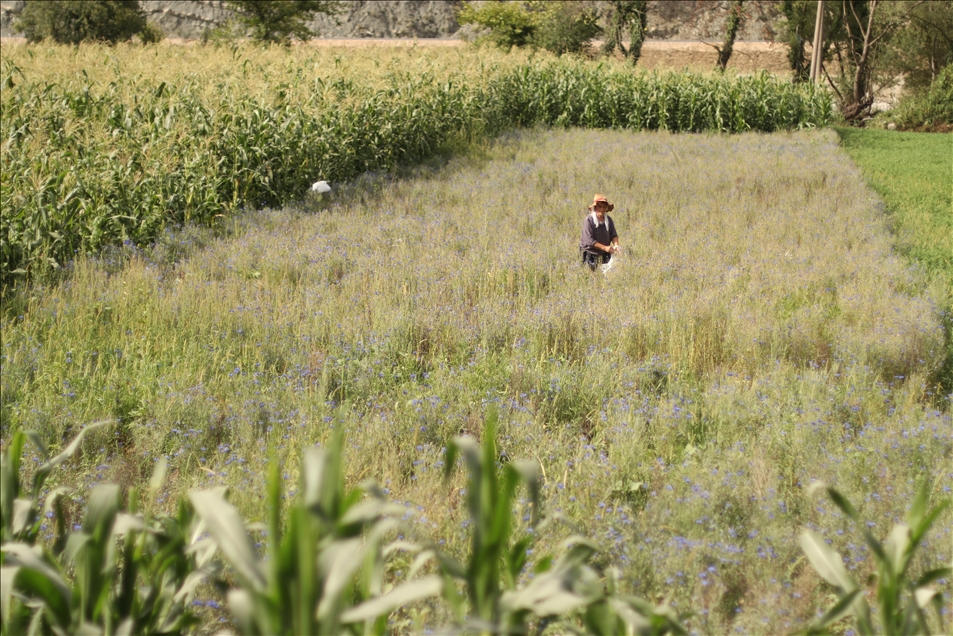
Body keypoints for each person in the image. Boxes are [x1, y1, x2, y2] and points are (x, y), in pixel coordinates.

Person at [579, 193, 620, 271]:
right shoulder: (589, 220)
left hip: (604, 253)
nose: (602, 209)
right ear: (595, 207)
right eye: (599, 206)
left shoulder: (609, 220)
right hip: (589, 254)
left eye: (604, 207)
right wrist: (605, 247)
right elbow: (589, 241)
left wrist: (616, 245)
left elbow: (613, 235)